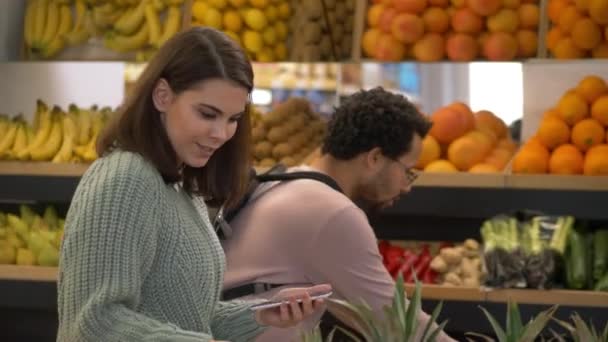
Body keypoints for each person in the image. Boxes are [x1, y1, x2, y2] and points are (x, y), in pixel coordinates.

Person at [56, 27, 329, 342]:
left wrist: (259, 314)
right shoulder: (125, 180)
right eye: (207, 114)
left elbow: (185, 315)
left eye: (232, 119)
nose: (221, 134)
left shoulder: (180, 184)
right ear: (162, 96)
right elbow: (95, 323)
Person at [220, 87, 456, 341]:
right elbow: (398, 323)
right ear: (375, 158)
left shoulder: (288, 183)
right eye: (407, 171)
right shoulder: (332, 213)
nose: (406, 186)